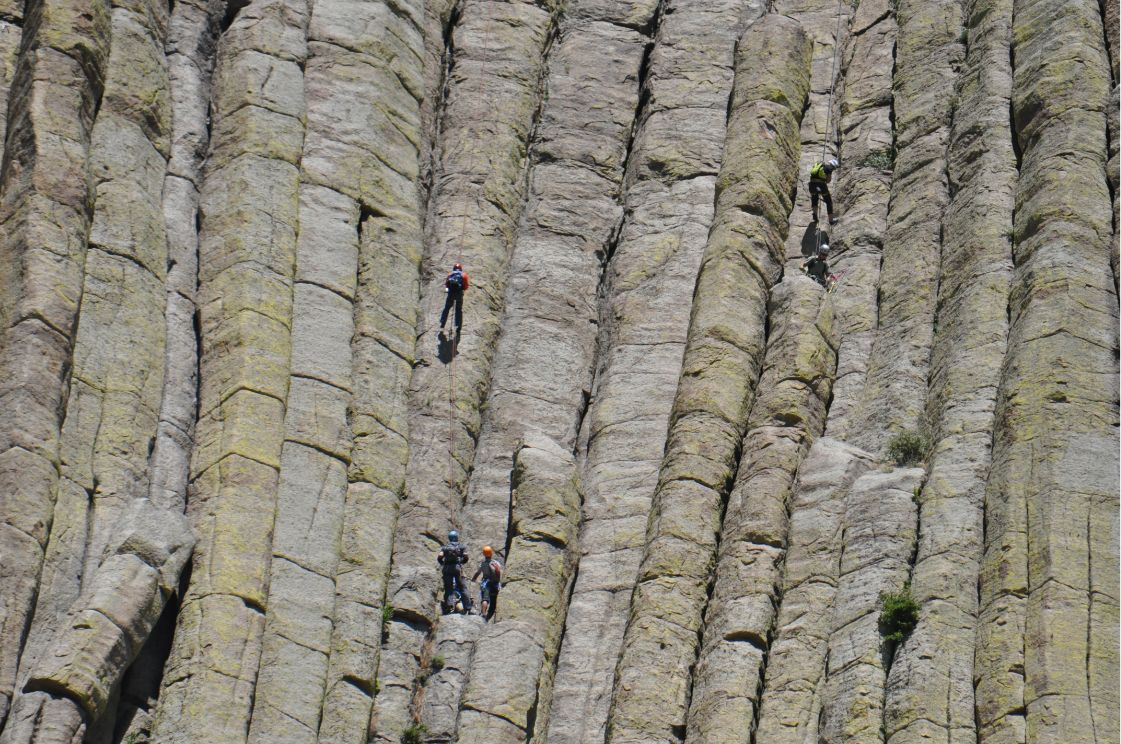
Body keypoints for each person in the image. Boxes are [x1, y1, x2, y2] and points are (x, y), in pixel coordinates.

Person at [437, 530, 472, 614]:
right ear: (456, 537)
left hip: (447, 568)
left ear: (449, 538)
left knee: (448, 588)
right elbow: (466, 556)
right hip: (457, 568)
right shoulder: (461, 546)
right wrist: (462, 562)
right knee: (462, 587)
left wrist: (442, 563)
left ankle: (449, 606)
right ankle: (467, 607)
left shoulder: (445, 547)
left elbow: (440, 556)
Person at [471, 545, 503, 621]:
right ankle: (491, 616)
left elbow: (477, 573)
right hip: (495, 584)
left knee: (485, 599)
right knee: (494, 600)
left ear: (484, 554)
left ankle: (483, 614)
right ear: (491, 553)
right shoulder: (496, 563)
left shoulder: (483, 564)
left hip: (486, 583)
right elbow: (499, 572)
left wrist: (473, 579)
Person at [439, 263, 469, 333]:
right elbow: (466, 286)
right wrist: (462, 289)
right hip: (459, 294)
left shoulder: (450, 274)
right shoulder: (464, 275)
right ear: (461, 269)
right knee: (458, 310)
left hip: (451, 294)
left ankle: (442, 323)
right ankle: (458, 326)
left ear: (454, 268)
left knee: (446, 308)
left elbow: (447, 284)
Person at [809, 158, 839, 224]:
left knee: (814, 199)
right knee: (829, 202)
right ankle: (831, 221)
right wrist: (825, 178)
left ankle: (815, 215)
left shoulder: (820, 166)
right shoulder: (829, 168)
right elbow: (828, 181)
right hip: (821, 186)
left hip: (812, 185)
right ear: (833, 166)